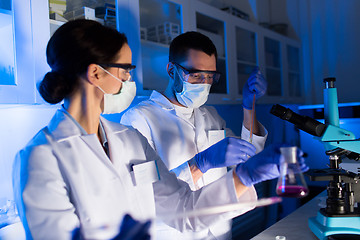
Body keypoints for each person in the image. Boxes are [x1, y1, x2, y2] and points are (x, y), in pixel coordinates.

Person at [12, 19, 293, 240]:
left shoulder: (128, 141)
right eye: (124, 71)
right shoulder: (41, 157)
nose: (129, 81)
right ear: (96, 73)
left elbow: (184, 208)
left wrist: (245, 175)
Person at [120, 31, 268, 239]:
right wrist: (200, 163)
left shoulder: (212, 116)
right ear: (172, 71)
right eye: (196, 75)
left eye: (210, 76)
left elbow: (247, 156)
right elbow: (144, 194)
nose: (204, 83)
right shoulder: (138, 118)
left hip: (219, 231)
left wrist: (248, 106)